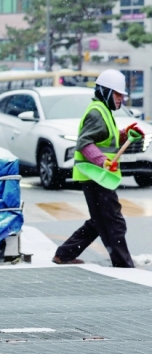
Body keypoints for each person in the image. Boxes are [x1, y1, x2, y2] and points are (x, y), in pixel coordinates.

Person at [52, 69, 141, 268]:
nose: (121, 99)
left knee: (99, 220)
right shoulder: (97, 112)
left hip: (98, 176)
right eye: (118, 95)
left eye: (122, 95)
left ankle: (64, 254)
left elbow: (105, 137)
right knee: (114, 221)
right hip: (97, 175)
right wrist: (101, 161)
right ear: (106, 92)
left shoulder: (102, 110)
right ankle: (123, 264)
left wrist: (124, 134)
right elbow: (85, 143)